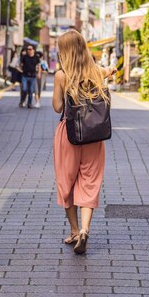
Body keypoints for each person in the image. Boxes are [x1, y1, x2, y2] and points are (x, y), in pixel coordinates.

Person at [52, 30, 116, 255]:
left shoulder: (62, 75)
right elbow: (108, 71)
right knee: (90, 182)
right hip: (94, 136)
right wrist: (110, 70)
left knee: (66, 183)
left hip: (69, 135)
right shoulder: (96, 72)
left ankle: (74, 230)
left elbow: (58, 107)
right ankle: (86, 230)